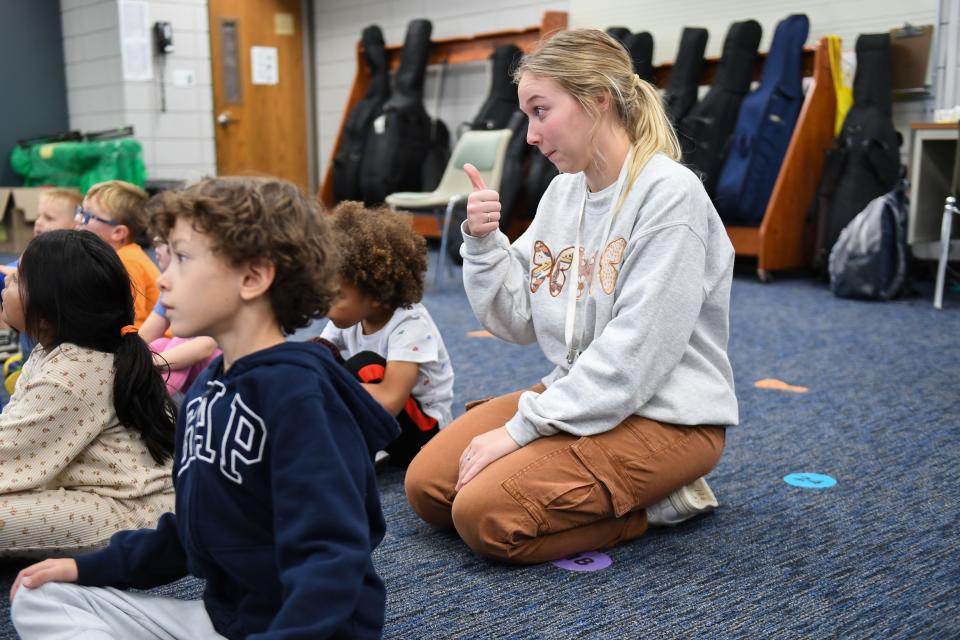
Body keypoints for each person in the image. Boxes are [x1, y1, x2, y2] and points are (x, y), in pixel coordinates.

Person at [10, 177, 399, 639]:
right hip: (225, 623)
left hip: (301, 628)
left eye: (182, 258)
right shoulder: (205, 393)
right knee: (40, 594)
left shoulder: (299, 394)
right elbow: (190, 533)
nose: (164, 278)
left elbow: (331, 556)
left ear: (253, 278)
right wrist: (86, 568)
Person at [405, 29, 739, 564]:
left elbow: (632, 362)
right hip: (584, 393)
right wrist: (485, 245)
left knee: (485, 517)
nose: (531, 135)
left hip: (670, 418)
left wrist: (520, 430)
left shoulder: (669, 196)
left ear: (597, 100)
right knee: (428, 489)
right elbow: (516, 319)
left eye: (541, 111)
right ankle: (579, 476)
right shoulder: (565, 190)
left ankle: (658, 503)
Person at [0, 229, 176, 555]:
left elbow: (8, 453)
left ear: (49, 313)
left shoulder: (73, 374)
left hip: (129, 511)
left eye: (19, 278)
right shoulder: (56, 351)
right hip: (82, 488)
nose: (7, 281)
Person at [319, 201, 454, 466]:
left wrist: (331, 389)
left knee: (365, 365)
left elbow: (392, 399)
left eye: (336, 295)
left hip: (425, 435)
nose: (326, 301)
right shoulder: (352, 316)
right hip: (387, 418)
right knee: (319, 358)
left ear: (378, 296)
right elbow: (320, 352)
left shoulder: (410, 324)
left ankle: (346, 455)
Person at [0, 188, 84, 363]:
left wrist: (14, 276)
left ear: (75, 225)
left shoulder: (71, 257)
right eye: (38, 216)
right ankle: (9, 356)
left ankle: (15, 361)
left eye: (49, 218)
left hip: (55, 340)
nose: (39, 222)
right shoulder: (36, 251)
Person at [138, 237, 219, 401]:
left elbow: (205, 346)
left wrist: (146, 365)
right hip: (196, 371)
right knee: (157, 346)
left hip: (217, 367)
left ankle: (145, 404)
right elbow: (146, 334)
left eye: (161, 243)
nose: (156, 248)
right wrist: (123, 359)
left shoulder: (209, 288)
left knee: (180, 342)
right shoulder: (168, 285)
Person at [75, 180, 160, 328]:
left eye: (88, 215)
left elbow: (133, 321)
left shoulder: (126, 263)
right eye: (80, 211)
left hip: (156, 344)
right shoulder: (115, 258)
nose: (78, 219)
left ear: (118, 232)